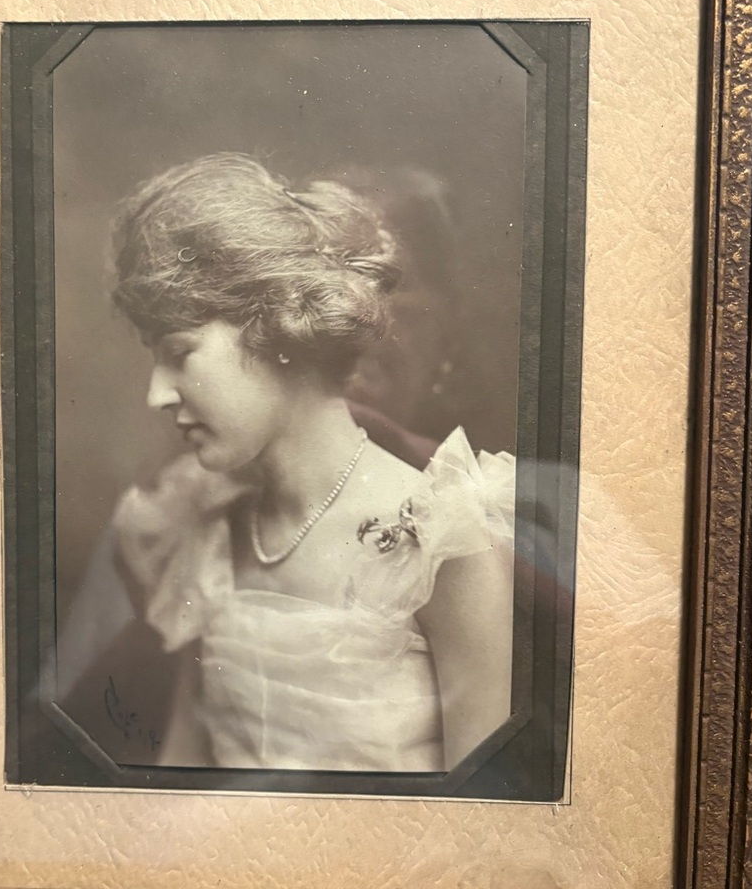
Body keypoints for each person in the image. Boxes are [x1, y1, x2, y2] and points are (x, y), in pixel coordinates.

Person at [110, 153, 515, 773]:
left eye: (179, 352)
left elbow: (477, 822)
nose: (157, 394)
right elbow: (181, 776)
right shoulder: (203, 532)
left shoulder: (442, 541)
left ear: (277, 330)